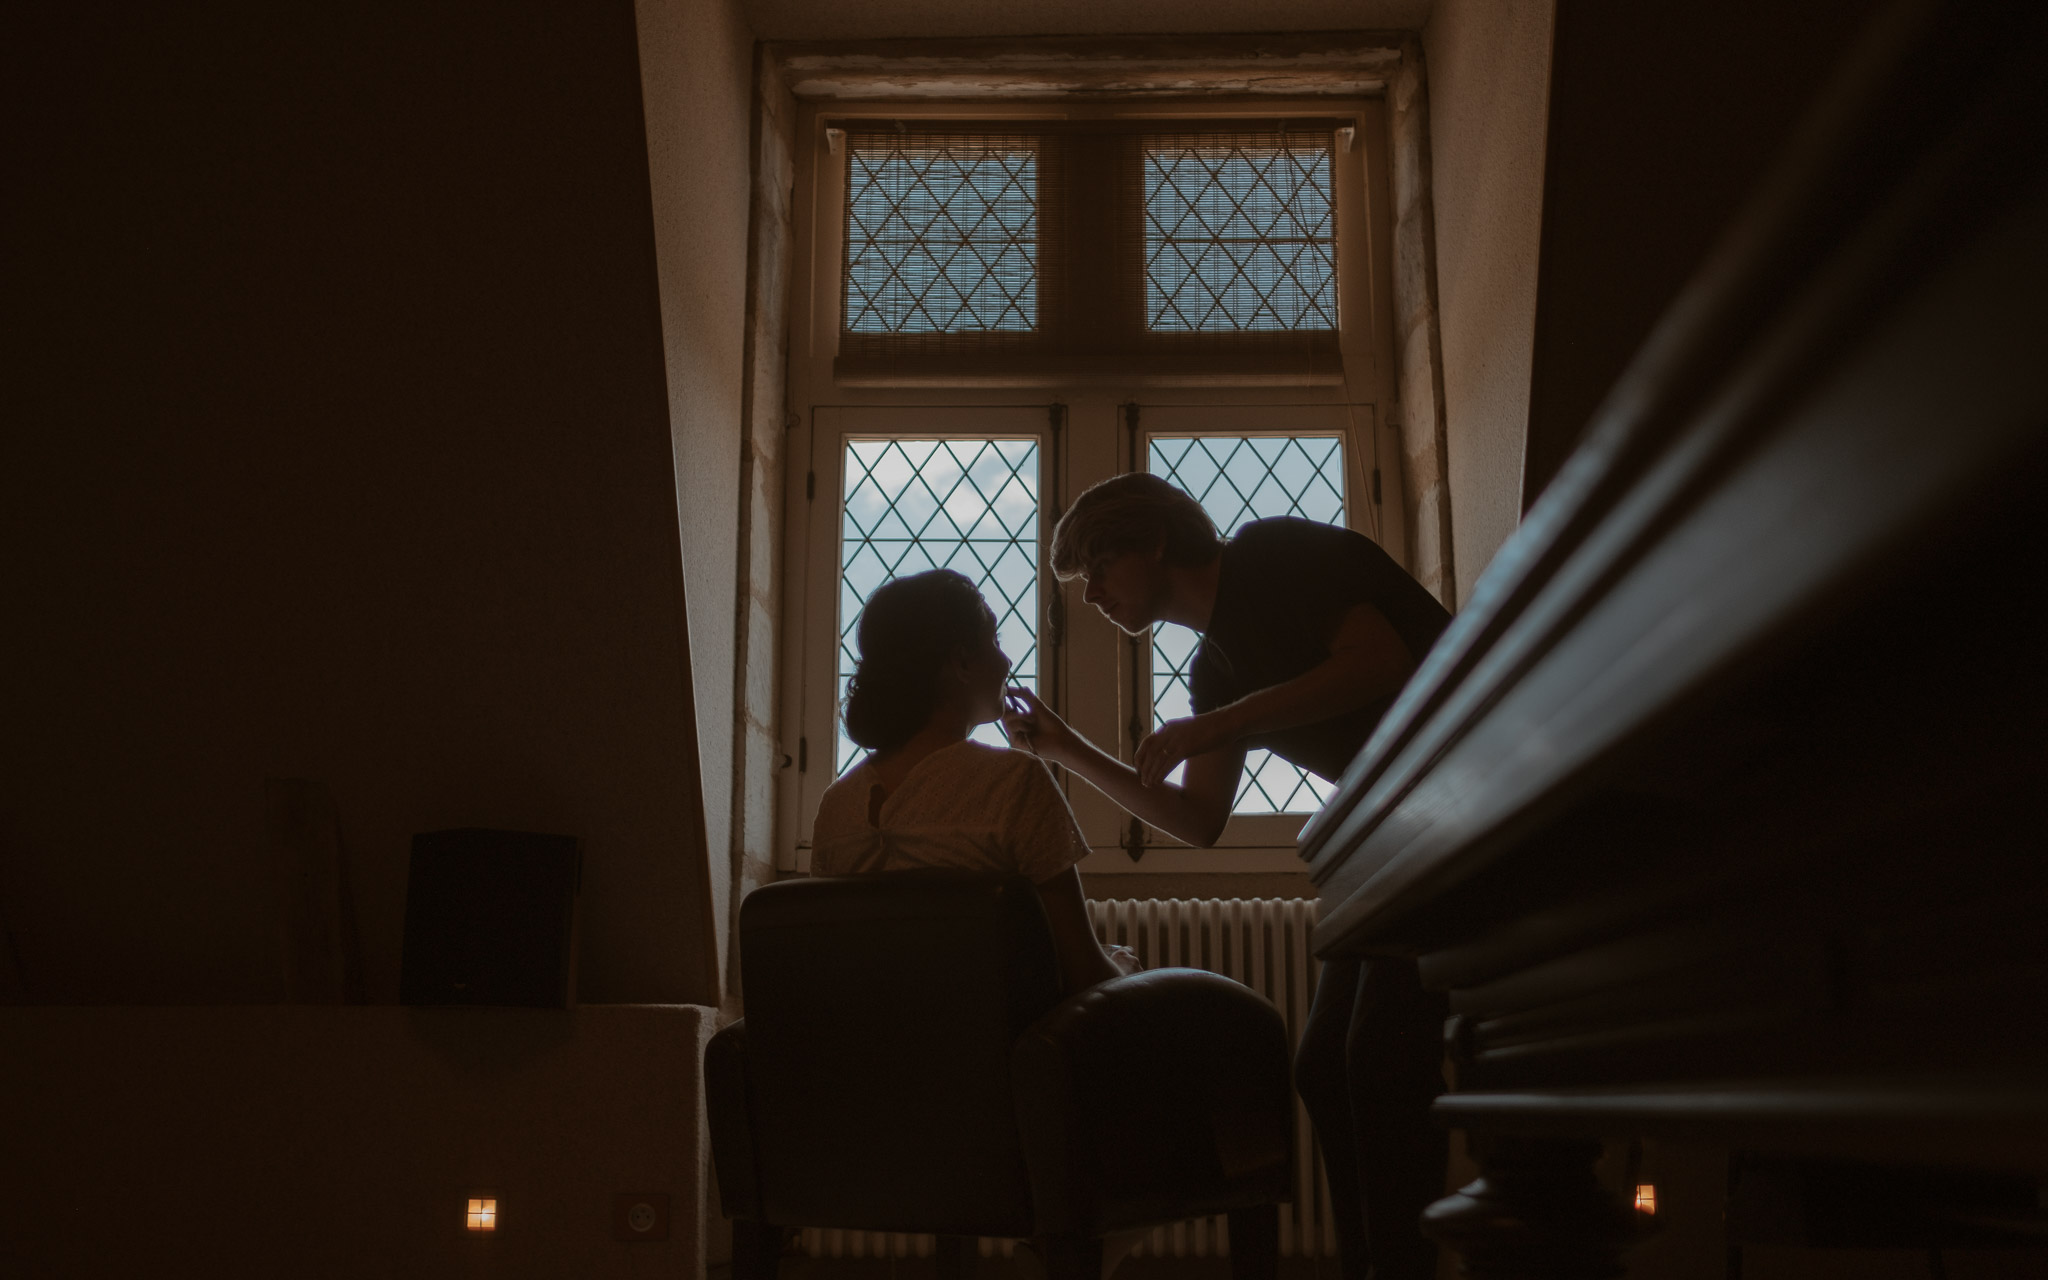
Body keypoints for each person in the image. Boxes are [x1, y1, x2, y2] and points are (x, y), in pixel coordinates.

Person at [999, 473, 1452, 1280]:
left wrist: (1221, 721)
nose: (1094, 594)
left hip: (1468, 797)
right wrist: (1063, 748)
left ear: (1157, 541)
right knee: (1324, 1069)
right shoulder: (1213, 670)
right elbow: (1200, 821)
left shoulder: (1273, 554)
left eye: (1100, 567)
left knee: (1378, 1062)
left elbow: (1381, 661)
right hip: (1402, 830)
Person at [812, 568, 1125, 997]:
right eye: (995, 641)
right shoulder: (1014, 784)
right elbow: (1085, 973)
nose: (1007, 660)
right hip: (1005, 1058)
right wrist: (1125, 971)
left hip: (872, 1057)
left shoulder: (836, 805)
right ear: (961, 662)